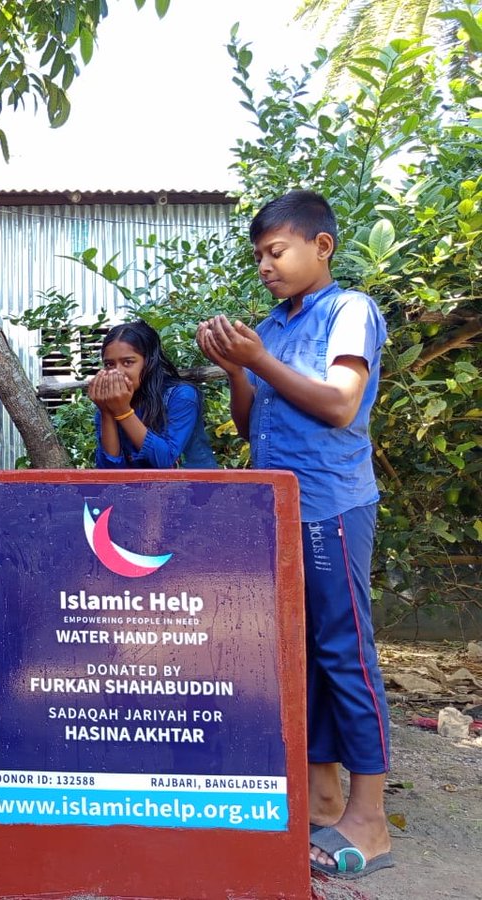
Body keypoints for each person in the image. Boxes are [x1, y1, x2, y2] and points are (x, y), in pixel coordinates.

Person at [197, 190, 393, 881]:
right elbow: (253, 427)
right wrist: (236, 369)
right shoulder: (273, 328)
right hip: (279, 515)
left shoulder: (350, 310)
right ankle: (322, 795)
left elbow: (340, 404)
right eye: (258, 257)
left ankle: (370, 820)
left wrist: (261, 359)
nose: (265, 267)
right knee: (301, 654)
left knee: (346, 652)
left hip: (331, 507)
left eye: (275, 252)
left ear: (322, 246)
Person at [88, 320, 217, 469]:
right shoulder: (111, 402)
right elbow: (108, 472)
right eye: (110, 364)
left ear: (149, 362)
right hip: (136, 491)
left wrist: (123, 412)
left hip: (194, 489)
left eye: (128, 362)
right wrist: (107, 413)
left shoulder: (181, 396)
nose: (117, 372)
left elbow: (165, 461)